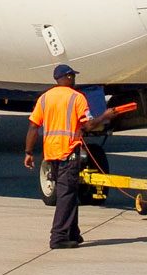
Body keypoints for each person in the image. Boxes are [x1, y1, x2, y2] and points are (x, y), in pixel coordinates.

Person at [25, 63, 103, 250]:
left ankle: (72, 232)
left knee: (71, 191)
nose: (74, 79)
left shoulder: (45, 98)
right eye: (73, 76)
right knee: (67, 194)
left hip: (51, 152)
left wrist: (28, 152)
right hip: (68, 151)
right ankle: (58, 237)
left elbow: (34, 127)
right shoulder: (77, 98)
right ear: (67, 77)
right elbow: (89, 125)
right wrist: (106, 116)